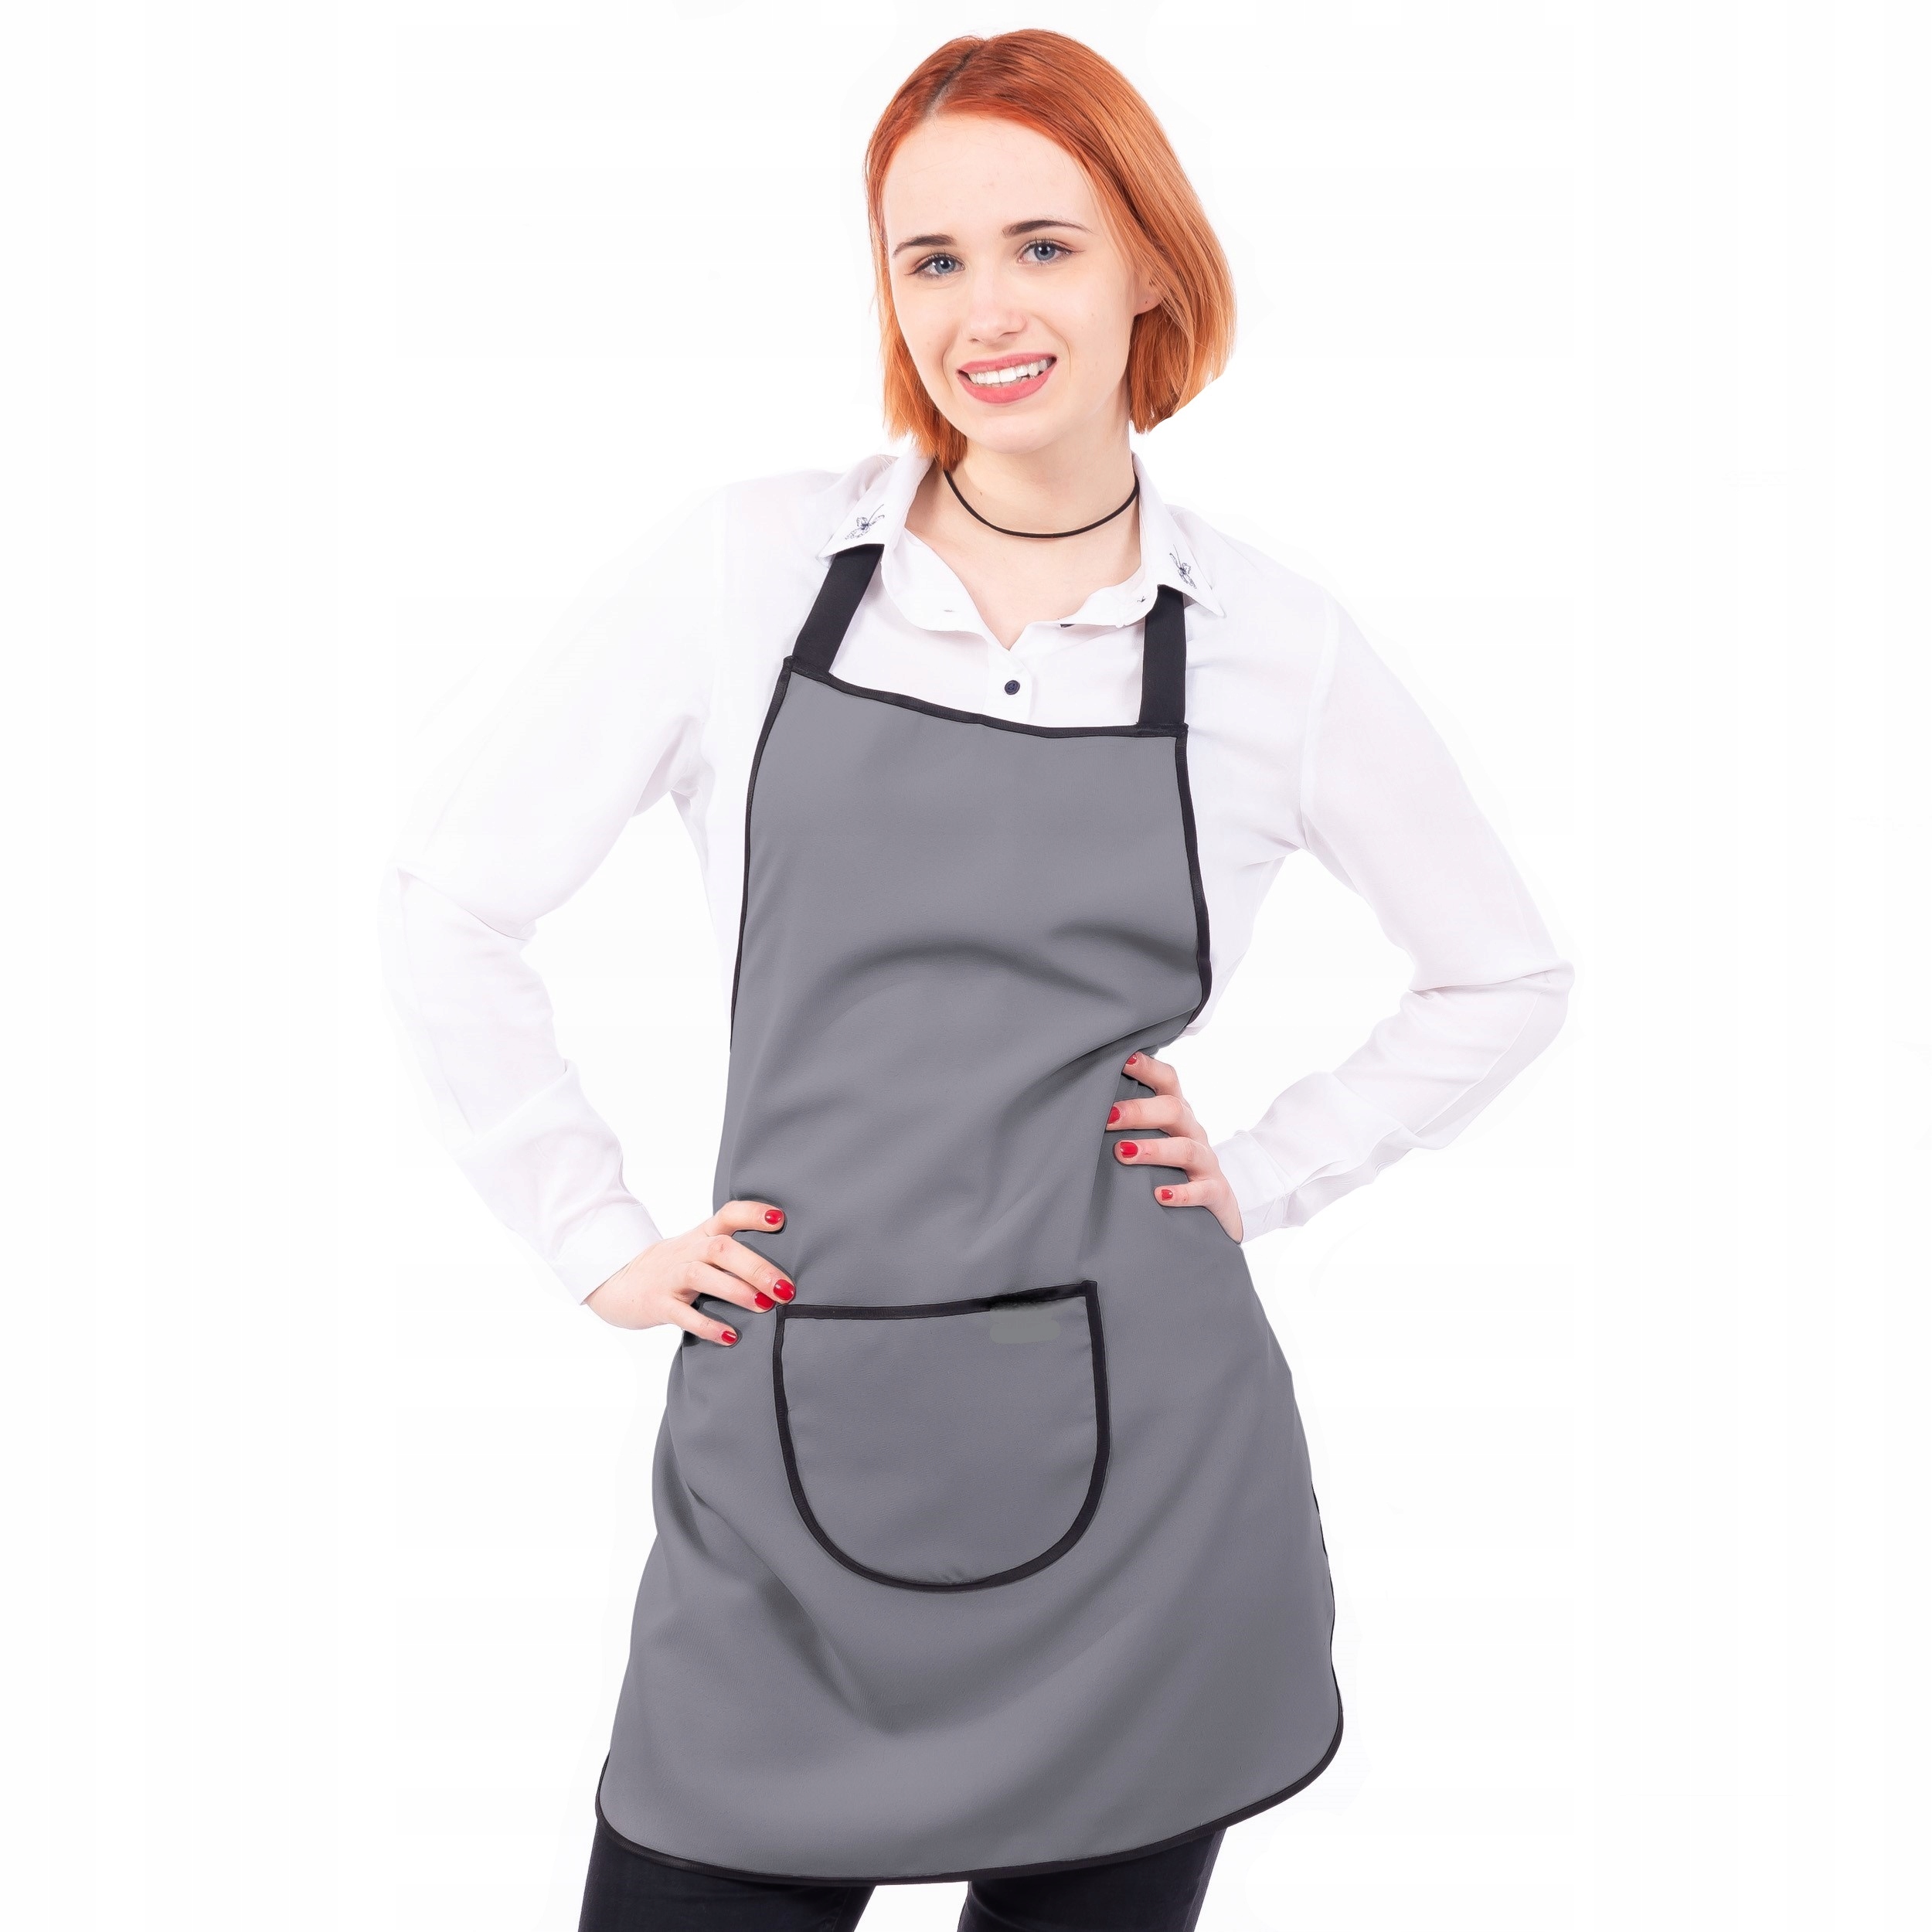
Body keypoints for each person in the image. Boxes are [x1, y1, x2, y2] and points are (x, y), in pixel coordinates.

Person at [379, 29, 1572, 1932]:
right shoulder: (750, 568)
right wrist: (591, 1233)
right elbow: (451, 906)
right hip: (784, 1444)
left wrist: (1264, 1173)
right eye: (929, 258)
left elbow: (1497, 974)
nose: (983, 309)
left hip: (1148, 1489)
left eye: (1043, 245)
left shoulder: (1267, 644)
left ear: (1147, 266)